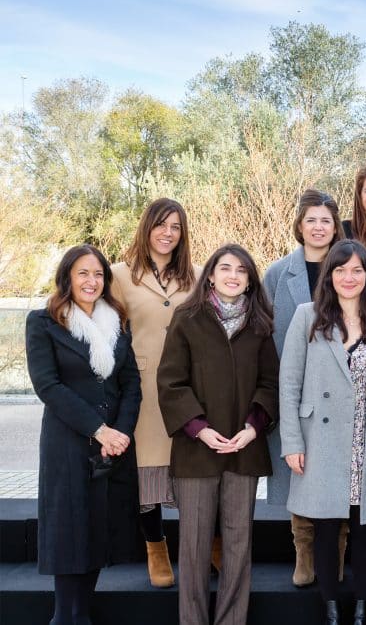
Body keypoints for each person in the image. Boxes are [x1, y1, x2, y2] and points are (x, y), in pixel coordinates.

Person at [279, 240, 366, 625]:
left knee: (365, 527)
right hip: (322, 441)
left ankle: (363, 604)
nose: (348, 277)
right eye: (340, 270)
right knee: (324, 525)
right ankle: (331, 605)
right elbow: (289, 383)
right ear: (329, 275)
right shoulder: (308, 316)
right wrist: (292, 442)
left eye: (357, 270)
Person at [158, 244, 279, 625]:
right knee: (193, 548)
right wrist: (199, 429)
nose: (232, 275)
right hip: (197, 451)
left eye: (241, 270)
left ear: (249, 280)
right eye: (224, 268)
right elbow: (171, 381)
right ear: (209, 274)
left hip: (243, 450)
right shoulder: (187, 318)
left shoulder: (260, 324)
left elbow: (270, 383)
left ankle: (231, 620)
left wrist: (252, 427)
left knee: (238, 544)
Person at [26, 244, 141, 625]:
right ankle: (65, 616)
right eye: (83, 273)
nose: (91, 281)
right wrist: (100, 429)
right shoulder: (43, 322)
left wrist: (120, 433)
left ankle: (82, 614)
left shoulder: (118, 322)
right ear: (67, 278)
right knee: (69, 532)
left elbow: (131, 383)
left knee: (96, 530)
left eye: (98, 274)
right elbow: (48, 386)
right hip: (69, 445)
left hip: (111, 449)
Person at [111, 197, 198, 589]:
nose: (168, 233)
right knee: (147, 471)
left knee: (195, 470)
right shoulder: (118, 275)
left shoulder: (196, 275)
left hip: (188, 386)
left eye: (176, 226)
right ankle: (156, 547)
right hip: (142, 388)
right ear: (147, 227)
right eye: (161, 224)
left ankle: (209, 542)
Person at [264, 189, 346, 587]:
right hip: (295, 387)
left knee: (341, 472)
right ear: (299, 225)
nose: (318, 227)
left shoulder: (350, 269)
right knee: (300, 469)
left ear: (336, 227)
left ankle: (338, 551)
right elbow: (264, 334)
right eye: (311, 220)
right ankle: (304, 551)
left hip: (343, 389)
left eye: (326, 220)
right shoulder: (278, 274)